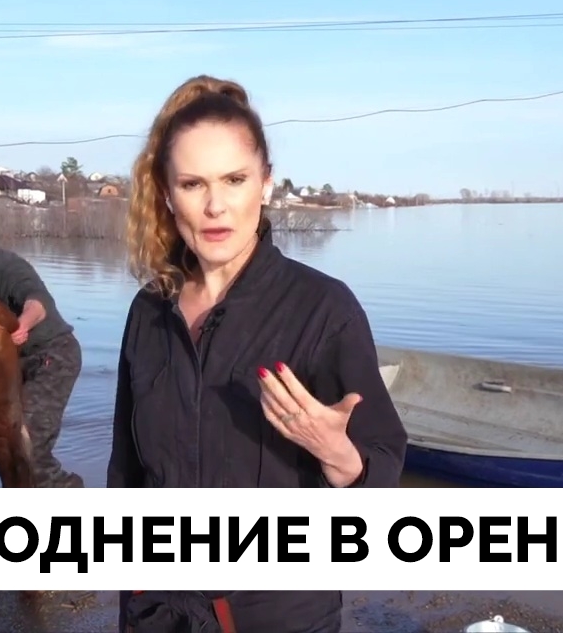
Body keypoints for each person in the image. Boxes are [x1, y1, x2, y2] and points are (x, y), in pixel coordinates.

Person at [106, 75, 409, 633]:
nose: (215, 206)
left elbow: (383, 471)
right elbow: (126, 474)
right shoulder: (149, 312)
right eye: (193, 184)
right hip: (159, 612)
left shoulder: (323, 309)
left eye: (235, 179)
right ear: (167, 194)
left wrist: (341, 458)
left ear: (265, 183)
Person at [0, 207, 85, 488]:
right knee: (8, 437)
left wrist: (22, 324)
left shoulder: (7, 265)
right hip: (19, 366)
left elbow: (38, 303)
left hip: (53, 356)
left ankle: (67, 489)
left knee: (28, 438)